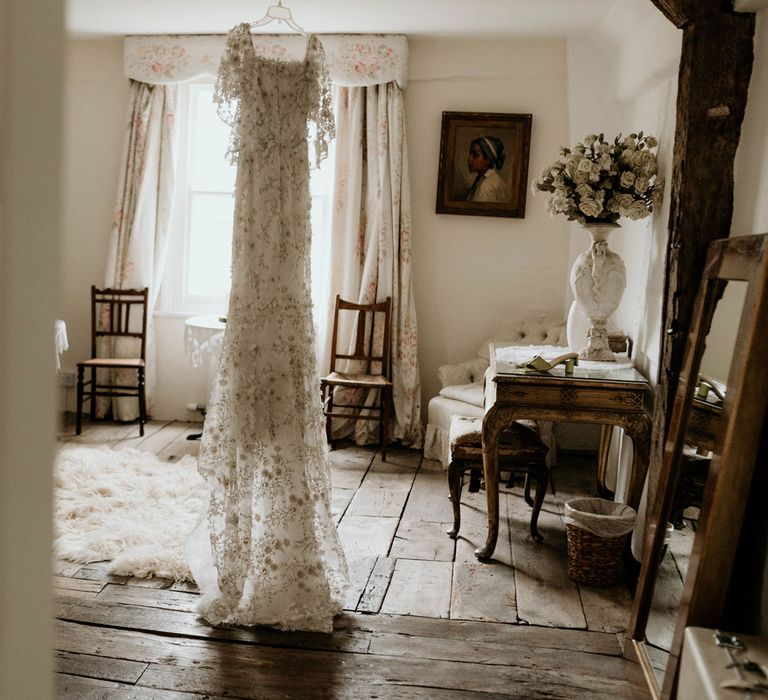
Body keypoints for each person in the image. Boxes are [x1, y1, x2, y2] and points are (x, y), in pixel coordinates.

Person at [466, 136, 508, 202]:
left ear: (488, 159)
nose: (469, 159)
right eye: (470, 154)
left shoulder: (485, 187)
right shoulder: (493, 179)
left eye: (475, 155)